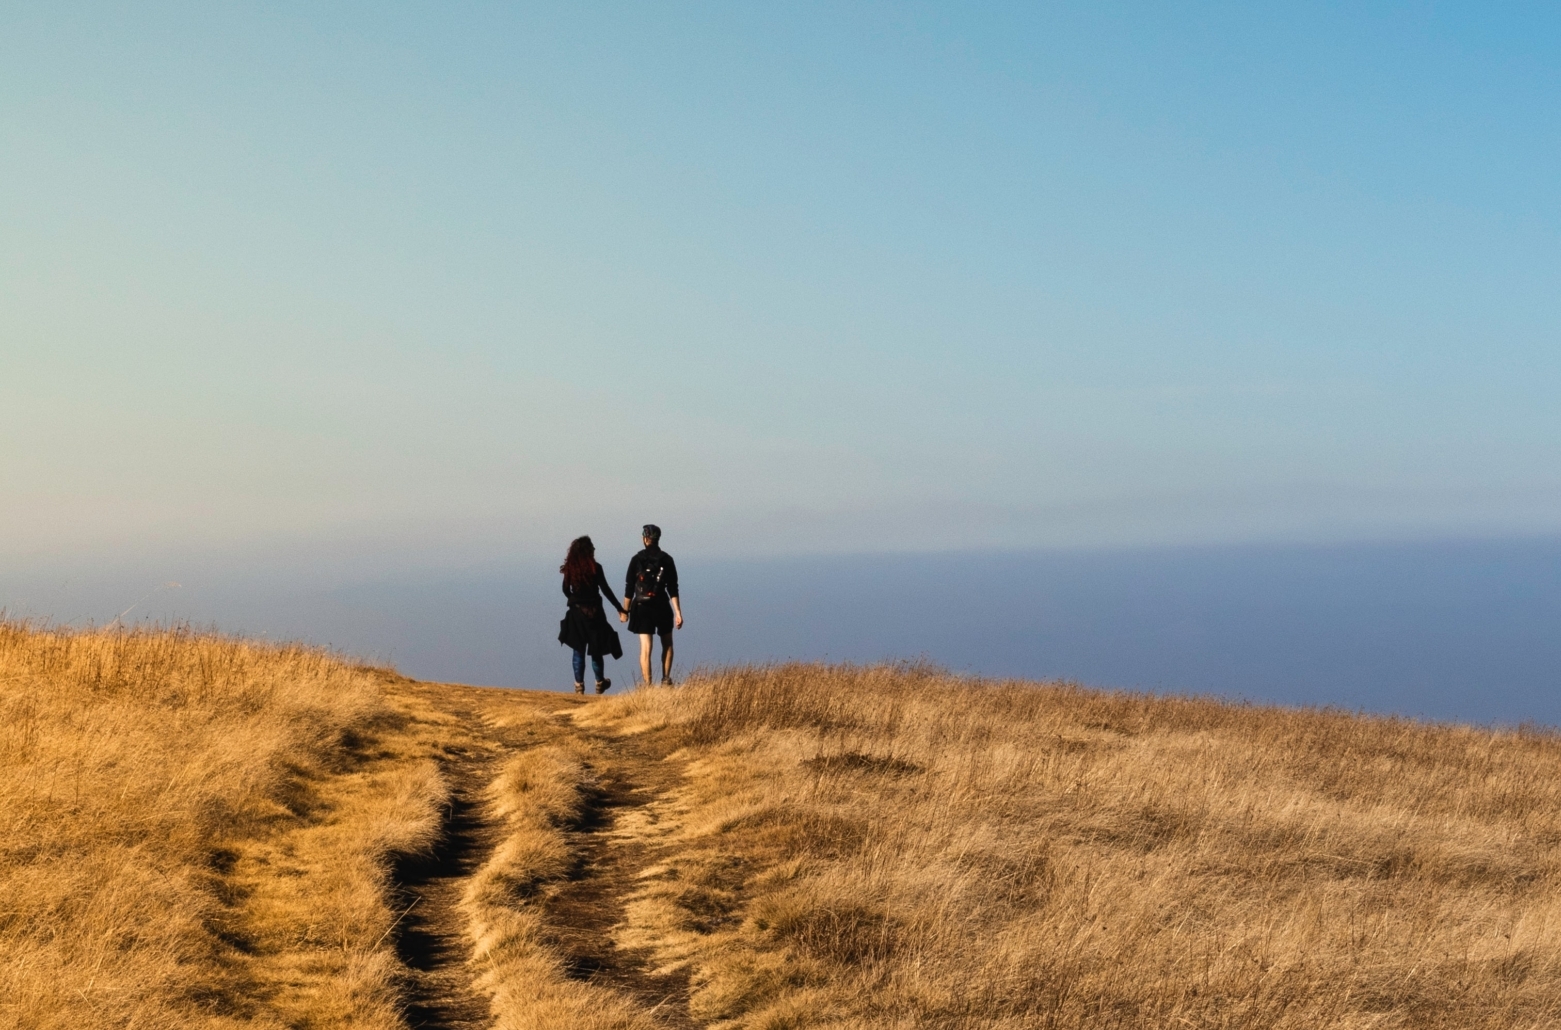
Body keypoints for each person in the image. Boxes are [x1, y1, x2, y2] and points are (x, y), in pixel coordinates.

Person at [557, 535, 625, 695]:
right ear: (588, 551)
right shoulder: (596, 568)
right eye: (592, 548)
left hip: (576, 614)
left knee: (578, 649)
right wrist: (619, 608)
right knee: (596, 650)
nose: (594, 550)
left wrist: (574, 600)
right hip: (595, 614)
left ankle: (579, 686)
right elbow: (606, 590)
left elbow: (565, 590)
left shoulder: (570, 569)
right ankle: (599, 682)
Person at [624, 524, 683, 685]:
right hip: (662, 606)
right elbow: (673, 588)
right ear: (658, 539)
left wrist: (625, 610)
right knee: (667, 643)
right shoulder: (667, 559)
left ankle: (648, 685)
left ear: (644, 539)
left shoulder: (636, 559)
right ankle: (665, 678)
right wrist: (678, 612)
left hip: (642, 607)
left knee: (645, 648)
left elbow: (629, 587)